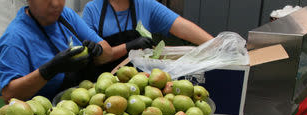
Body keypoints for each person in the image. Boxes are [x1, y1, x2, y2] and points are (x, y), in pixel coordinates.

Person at [0, 0, 112, 101]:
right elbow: (9, 94)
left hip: (90, 107)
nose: (56, 4)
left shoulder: (66, 16)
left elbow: (108, 53)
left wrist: (98, 51)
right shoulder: (14, 38)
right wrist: (49, 70)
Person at [82, 0, 213, 71]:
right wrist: (129, 46)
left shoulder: (146, 5)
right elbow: (95, 58)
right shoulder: (92, 10)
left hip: (141, 88)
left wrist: (216, 43)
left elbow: (181, 27)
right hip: (103, 88)